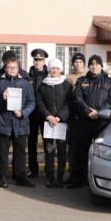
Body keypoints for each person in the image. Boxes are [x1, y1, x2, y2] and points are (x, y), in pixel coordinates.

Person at [68, 54, 111, 189]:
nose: (94, 67)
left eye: (97, 64)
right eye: (92, 64)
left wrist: (98, 111)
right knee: (81, 152)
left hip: (101, 123)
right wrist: (87, 111)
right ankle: (77, 180)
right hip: (84, 121)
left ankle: (102, 180)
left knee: (102, 153)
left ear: (101, 66)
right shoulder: (82, 81)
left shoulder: (109, 82)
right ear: (89, 66)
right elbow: (77, 98)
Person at [0, 57, 36, 188]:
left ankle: (20, 176)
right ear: (5, 68)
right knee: (3, 152)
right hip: (3, 122)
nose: (11, 70)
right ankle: (3, 176)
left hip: (20, 122)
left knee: (20, 152)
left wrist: (23, 113)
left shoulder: (25, 83)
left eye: (14, 67)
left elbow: (31, 102)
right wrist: (1, 97)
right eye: (9, 67)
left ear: (18, 68)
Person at [36, 58, 72, 188]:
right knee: (49, 150)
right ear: (49, 69)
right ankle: (50, 177)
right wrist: (48, 116)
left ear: (60, 69)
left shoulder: (66, 85)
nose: (55, 70)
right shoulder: (43, 86)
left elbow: (69, 103)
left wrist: (60, 117)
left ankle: (60, 177)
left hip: (62, 123)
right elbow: (39, 103)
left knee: (62, 150)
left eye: (57, 68)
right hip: (49, 123)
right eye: (52, 68)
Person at [64, 52, 86, 184]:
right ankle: (72, 174)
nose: (78, 64)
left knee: (83, 148)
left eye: (80, 62)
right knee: (72, 147)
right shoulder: (67, 78)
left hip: (84, 117)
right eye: (76, 62)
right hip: (71, 117)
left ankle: (83, 175)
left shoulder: (87, 77)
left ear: (84, 64)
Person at [27, 48, 48, 178]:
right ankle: (33, 169)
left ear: (44, 61)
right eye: (36, 60)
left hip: (45, 113)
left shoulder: (48, 75)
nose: (38, 62)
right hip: (31, 114)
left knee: (47, 143)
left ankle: (48, 168)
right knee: (31, 143)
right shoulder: (27, 75)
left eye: (40, 60)